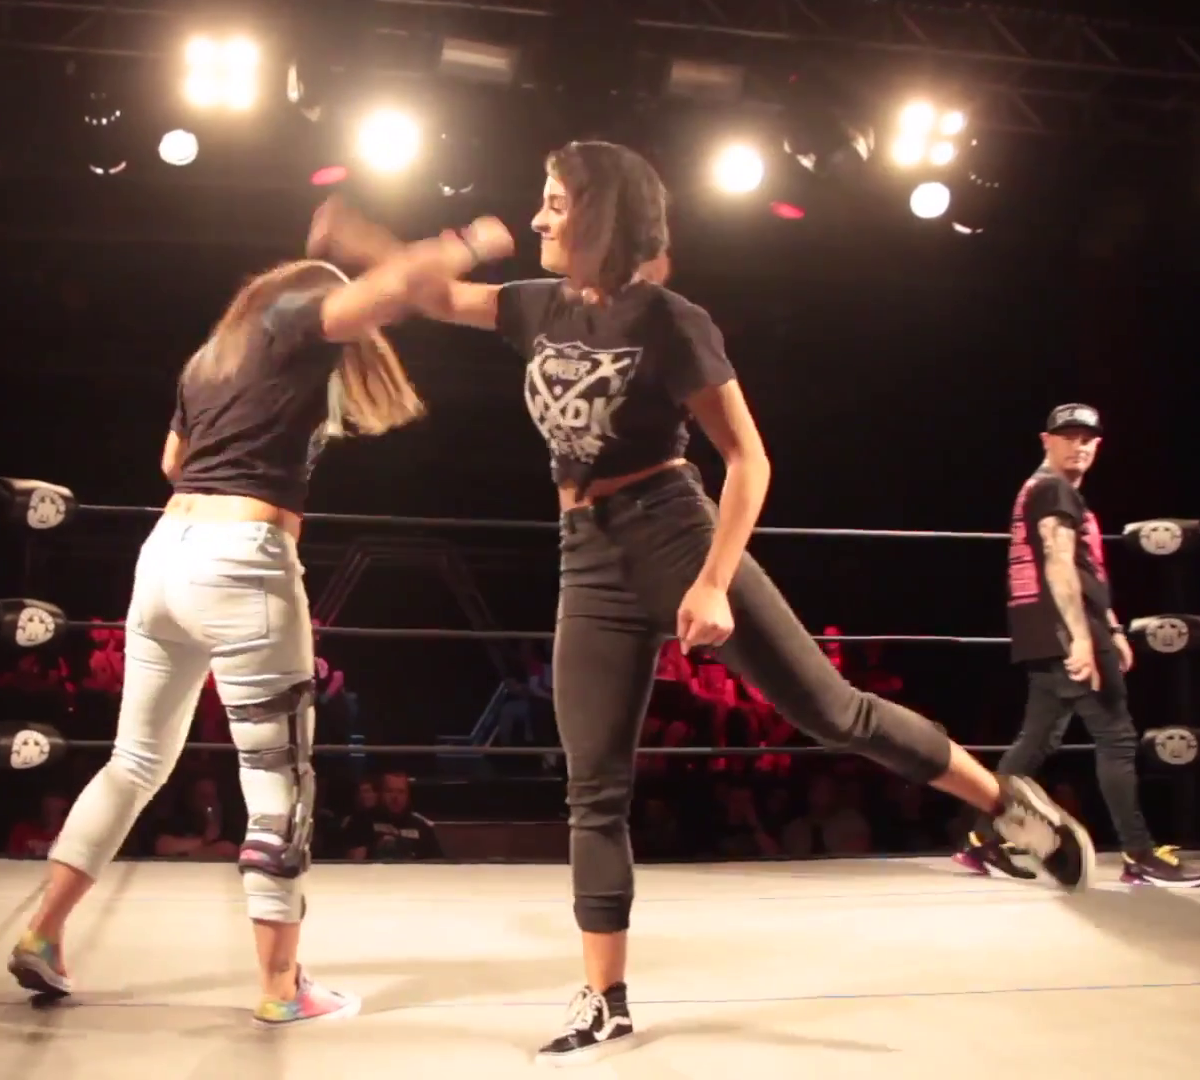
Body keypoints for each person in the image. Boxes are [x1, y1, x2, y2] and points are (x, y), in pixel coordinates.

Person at [313, 142, 1098, 1065]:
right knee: (592, 788)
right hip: (585, 555)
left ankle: (1005, 803)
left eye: (555, 202)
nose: (538, 218)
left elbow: (748, 459)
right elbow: (430, 294)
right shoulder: (534, 305)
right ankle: (606, 998)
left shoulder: (670, 320)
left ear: (600, 214)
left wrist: (714, 579)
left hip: (675, 532)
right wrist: (380, 240)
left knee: (833, 712)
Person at [5, 205, 516, 1029]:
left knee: (134, 762)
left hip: (164, 557)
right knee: (278, 777)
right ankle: (282, 984)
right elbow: (386, 292)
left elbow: (172, 461)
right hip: (242, 558)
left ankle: (43, 931)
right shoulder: (295, 318)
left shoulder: (209, 359)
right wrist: (464, 245)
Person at [955, 405, 1200, 888]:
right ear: (1046, 440)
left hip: (1046, 631)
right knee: (1116, 737)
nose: (1079, 445)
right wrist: (1081, 638)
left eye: (1087, 438)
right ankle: (1140, 855)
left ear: (1099, 445)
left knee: (1035, 743)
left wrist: (1111, 628)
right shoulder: (1053, 489)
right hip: (1066, 632)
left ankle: (981, 841)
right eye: (1068, 436)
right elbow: (1058, 561)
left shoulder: (1044, 489)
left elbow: (1083, 567)